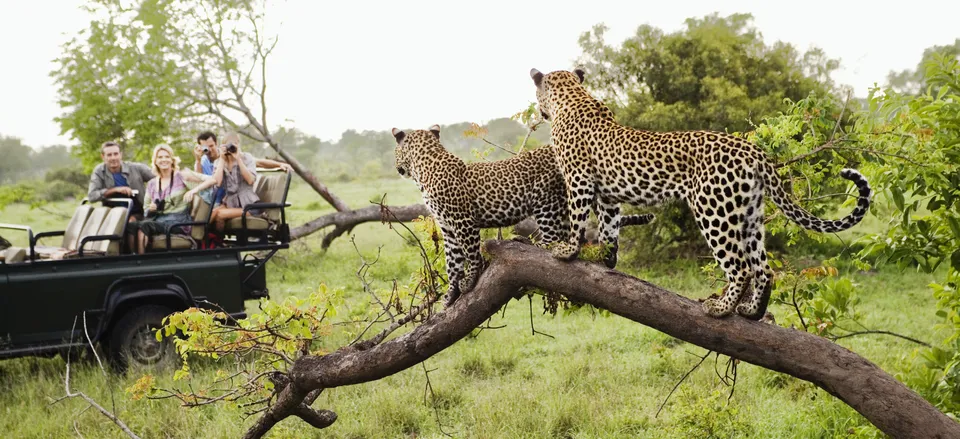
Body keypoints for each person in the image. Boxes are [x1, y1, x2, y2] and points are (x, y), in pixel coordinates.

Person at [129, 144, 217, 254]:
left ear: (172, 160)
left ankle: (141, 263)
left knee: (145, 226)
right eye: (160, 157)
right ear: (155, 161)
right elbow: (146, 210)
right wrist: (152, 209)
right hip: (159, 220)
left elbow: (213, 180)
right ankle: (133, 259)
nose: (163, 160)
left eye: (167, 156)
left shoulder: (181, 176)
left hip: (178, 222)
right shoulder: (152, 184)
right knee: (131, 226)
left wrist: (193, 190)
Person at [87, 141, 155, 220]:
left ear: (121, 155)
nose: (113, 158)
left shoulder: (136, 168)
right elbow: (92, 196)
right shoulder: (99, 171)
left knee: (128, 223)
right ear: (103, 156)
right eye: (109, 155)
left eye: (116, 154)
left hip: (138, 212)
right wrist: (115, 190)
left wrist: (153, 198)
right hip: (112, 214)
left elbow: (159, 179)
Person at [208, 140, 263, 232]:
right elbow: (217, 183)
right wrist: (222, 159)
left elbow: (250, 180)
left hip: (249, 206)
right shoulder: (219, 161)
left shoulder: (246, 158)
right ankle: (204, 241)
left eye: (233, 146)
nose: (230, 149)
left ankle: (216, 243)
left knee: (220, 214)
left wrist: (238, 159)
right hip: (231, 204)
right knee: (213, 213)